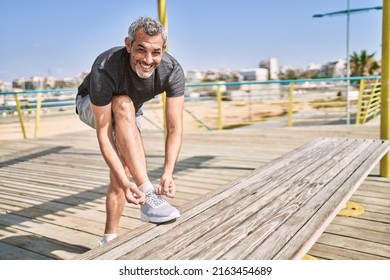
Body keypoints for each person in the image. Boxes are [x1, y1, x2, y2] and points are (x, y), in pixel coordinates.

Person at [75, 17, 185, 245]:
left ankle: (109, 238)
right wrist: (130, 183)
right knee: (123, 102)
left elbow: (175, 128)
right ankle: (148, 195)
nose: (148, 59)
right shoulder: (106, 66)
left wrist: (168, 172)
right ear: (128, 45)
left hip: (130, 111)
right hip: (92, 105)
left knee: (124, 168)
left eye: (156, 52)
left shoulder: (172, 70)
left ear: (163, 50)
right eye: (141, 50)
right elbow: (104, 133)